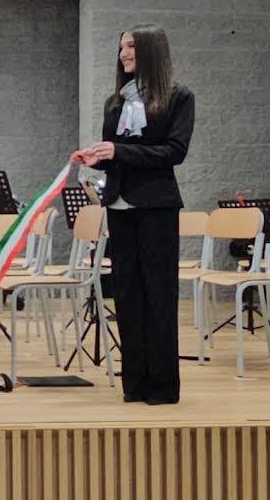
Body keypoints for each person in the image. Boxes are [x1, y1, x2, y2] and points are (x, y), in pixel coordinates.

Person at [71, 25, 195, 405]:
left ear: (151, 51)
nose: (124, 53)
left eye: (131, 47)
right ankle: (135, 382)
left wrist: (118, 152)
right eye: (122, 46)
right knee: (126, 294)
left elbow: (174, 152)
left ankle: (163, 386)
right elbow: (115, 155)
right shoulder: (115, 102)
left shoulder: (179, 97)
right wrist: (95, 159)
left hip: (157, 207)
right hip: (119, 206)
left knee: (158, 294)